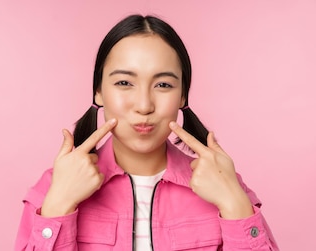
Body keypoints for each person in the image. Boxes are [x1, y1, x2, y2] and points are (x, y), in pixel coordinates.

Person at [14, 14, 278, 251]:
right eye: (124, 83)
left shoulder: (225, 183)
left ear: (183, 94)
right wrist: (58, 205)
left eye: (163, 84)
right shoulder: (53, 187)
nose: (144, 105)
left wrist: (234, 205)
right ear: (98, 91)